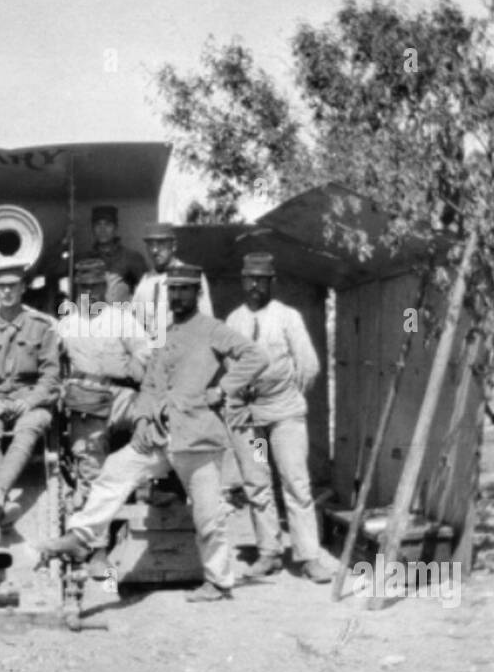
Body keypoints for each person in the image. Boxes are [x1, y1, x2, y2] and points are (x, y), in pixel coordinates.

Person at [40, 264, 268, 602]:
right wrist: (145, 418)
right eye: (173, 290)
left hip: (197, 438)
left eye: (185, 290)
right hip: (160, 437)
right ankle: (81, 536)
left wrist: (222, 390)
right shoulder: (164, 332)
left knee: (208, 517)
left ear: (197, 293)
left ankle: (218, 582)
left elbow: (255, 356)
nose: (177, 296)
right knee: (115, 471)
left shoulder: (212, 329)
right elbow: (149, 383)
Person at [223, 252, 337, 581]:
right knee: (258, 483)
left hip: (285, 416)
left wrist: (290, 394)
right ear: (243, 281)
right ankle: (269, 552)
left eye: (262, 280)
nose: (255, 286)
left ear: (272, 282)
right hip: (253, 420)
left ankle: (308, 556)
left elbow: (309, 364)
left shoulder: (287, 316)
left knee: (295, 482)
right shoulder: (234, 320)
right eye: (250, 279)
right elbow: (231, 366)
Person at [0, 264, 61, 516]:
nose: (7, 292)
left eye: (12, 286)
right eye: (1, 287)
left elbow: (51, 375)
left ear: (23, 288)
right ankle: (0, 499)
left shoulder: (41, 326)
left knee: (28, 428)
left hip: (28, 401)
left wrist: (31, 401)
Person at [57, 264, 152, 512]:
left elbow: (145, 353)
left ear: (105, 288)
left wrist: (132, 368)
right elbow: (54, 364)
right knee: (88, 457)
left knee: (156, 422)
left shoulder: (121, 319)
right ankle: (93, 527)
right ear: (78, 290)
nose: (91, 293)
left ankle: (150, 487)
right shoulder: (67, 324)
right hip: (86, 398)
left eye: (96, 287)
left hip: (121, 394)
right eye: (85, 288)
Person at [131, 223, 213, 341]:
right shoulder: (145, 280)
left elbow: (206, 319)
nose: (154, 250)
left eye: (161, 244)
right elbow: (135, 320)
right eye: (150, 245)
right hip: (151, 349)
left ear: (173, 246)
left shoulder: (190, 276)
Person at [90, 205, 147, 289]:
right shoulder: (84, 261)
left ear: (116, 228)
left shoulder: (132, 258)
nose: (102, 229)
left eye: (108, 224)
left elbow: (145, 292)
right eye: (98, 224)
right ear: (93, 228)